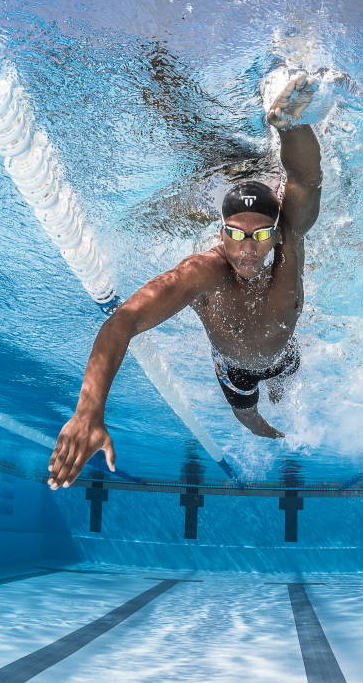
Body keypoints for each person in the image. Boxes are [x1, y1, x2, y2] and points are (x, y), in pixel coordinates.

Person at [47, 72, 321, 489]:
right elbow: (123, 322)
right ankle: (265, 424)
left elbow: (305, 181)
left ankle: (280, 121)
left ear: (273, 231)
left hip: (285, 352)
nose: (248, 247)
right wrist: (88, 411)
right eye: (236, 233)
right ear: (220, 233)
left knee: (285, 383)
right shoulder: (202, 274)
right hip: (236, 372)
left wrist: (291, 125)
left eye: (260, 234)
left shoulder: (289, 240)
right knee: (250, 420)